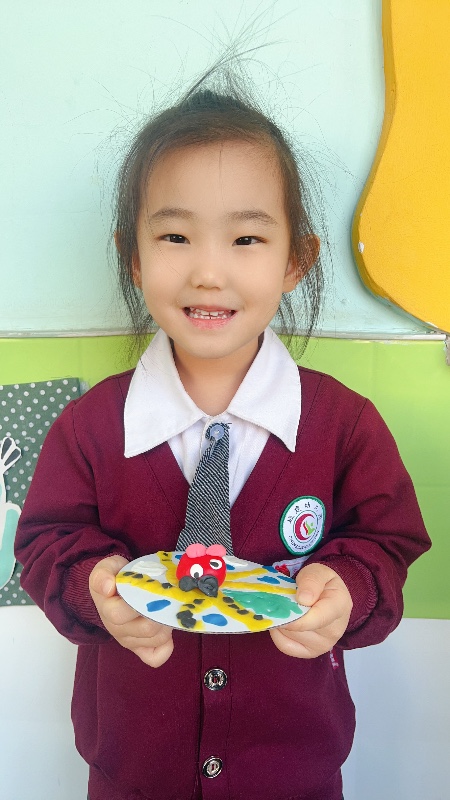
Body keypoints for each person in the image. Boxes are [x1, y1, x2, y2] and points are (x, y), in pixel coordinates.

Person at [15, 76, 430, 800]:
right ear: (133, 256)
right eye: (175, 236)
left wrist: (349, 587)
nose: (209, 272)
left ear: (295, 259)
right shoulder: (87, 429)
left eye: (246, 238)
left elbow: (387, 545)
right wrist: (95, 585)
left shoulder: (347, 425)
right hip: (132, 779)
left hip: (294, 779)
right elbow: (45, 543)